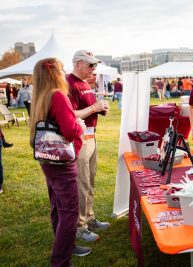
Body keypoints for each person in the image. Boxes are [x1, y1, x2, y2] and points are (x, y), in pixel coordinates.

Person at [30, 57, 91, 266]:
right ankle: (61, 261)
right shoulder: (57, 95)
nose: (65, 74)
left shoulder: (41, 96)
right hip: (62, 161)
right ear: (54, 73)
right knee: (69, 211)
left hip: (48, 159)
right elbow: (68, 130)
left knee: (57, 206)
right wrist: (79, 126)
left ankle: (66, 245)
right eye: (62, 69)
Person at [67, 50, 111, 243]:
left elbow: (89, 108)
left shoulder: (85, 83)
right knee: (82, 183)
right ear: (78, 64)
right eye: (91, 65)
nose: (94, 69)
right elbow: (70, 114)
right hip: (81, 139)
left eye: (95, 65)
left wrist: (100, 109)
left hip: (91, 136)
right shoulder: (69, 83)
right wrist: (94, 108)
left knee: (89, 179)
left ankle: (89, 217)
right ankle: (79, 226)